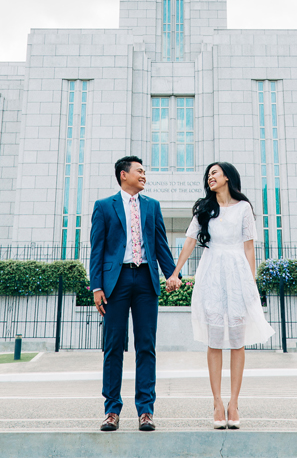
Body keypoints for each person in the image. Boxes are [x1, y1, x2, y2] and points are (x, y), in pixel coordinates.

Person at [166, 162, 274, 429]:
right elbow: (190, 240)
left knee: (237, 341)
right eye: (208, 175)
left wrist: (251, 285)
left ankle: (234, 403)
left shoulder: (244, 208)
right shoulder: (204, 209)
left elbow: (249, 248)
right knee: (215, 340)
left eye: (215, 173)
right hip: (212, 274)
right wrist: (175, 273)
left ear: (227, 177)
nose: (210, 177)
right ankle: (216, 402)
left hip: (238, 275)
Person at [89, 155, 180, 432]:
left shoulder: (152, 206)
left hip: (145, 281)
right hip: (115, 282)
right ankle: (112, 411)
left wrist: (172, 274)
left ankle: (146, 411)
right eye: (139, 171)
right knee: (113, 346)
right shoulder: (104, 206)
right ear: (123, 175)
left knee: (146, 347)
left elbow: (161, 245)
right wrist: (96, 286)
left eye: (144, 171)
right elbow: (97, 249)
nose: (144, 175)